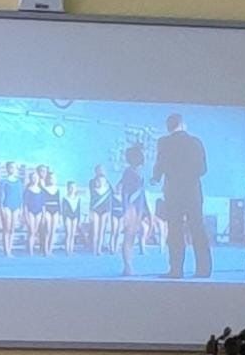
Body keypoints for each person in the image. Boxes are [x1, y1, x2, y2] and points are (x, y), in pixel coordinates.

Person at [153, 114, 212, 279]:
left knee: (175, 231)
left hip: (173, 193)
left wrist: (156, 177)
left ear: (168, 127)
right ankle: (203, 270)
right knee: (198, 229)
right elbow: (203, 169)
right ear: (183, 124)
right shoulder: (195, 142)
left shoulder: (164, 143)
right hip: (192, 192)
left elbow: (159, 166)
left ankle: (176, 270)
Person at [120, 144, 153, 276]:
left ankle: (128, 264)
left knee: (132, 237)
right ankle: (127, 265)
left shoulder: (138, 172)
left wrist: (147, 211)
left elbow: (142, 192)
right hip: (132, 207)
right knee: (129, 236)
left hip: (138, 206)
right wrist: (127, 209)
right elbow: (125, 192)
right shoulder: (129, 172)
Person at [0, 161, 23, 257]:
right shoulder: (3, 181)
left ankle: (10, 249)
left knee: (12, 229)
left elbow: (20, 196)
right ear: (7, 169)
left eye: (14, 167)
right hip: (6, 206)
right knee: (6, 229)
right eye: (10, 167)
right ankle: (6, 251)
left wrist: (21, 208)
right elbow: (0, 196)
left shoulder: (19, 182)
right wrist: (1, 208)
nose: (12, 169)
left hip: (16, 206)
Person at [89, 165, 113, 255]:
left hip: (105, 209)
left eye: (103, 170)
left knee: (102, 230)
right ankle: (94, 249)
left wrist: (109, 211)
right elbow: (92, 197)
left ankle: (99, 249)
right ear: (96, 171)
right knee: (95, 230)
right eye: (99, 170)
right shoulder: (92, 182)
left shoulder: (108, 184)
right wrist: (90, 211)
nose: (101, 171)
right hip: (95, 208)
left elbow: (110, 198)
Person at [23, 171, 46, 257]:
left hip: (39, 212)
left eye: (36, 177)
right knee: (31, 231)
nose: (35, 179)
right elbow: (25, 204)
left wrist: (43, 215)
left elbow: (43, 204)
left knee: (35, 231)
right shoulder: (28, 190)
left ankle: (33, 248)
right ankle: (30, 251)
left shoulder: (41, 191)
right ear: (30, 179)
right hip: (30, 212)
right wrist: (25, 215)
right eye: (33, 177)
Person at [41, 171, 62, 257]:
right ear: (48, 179)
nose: (52, 180)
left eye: (53, 178)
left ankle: (50, 249)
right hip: (47, 209)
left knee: (53, 231)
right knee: (48, 230)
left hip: (56, 210)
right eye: (50, 178)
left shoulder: (57, 189)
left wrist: (60, 215)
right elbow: (43, 202)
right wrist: (43, 213)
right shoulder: (44, 189)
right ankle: (45, 250)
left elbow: (59, 202)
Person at [61, 181, 82, 255]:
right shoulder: (65, 198)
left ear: (76, 189)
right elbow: (64, 210)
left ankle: (71, 250)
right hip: (68, 217)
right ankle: (67, 250)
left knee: (73, 234)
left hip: (75, 216)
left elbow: (78, 210)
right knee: (68, 233)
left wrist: (79, 220)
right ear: (68, 188)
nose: (72, 189)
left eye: (74, 187)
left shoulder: (78, 198)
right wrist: (64, 219)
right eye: (70, 187)